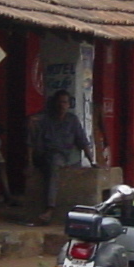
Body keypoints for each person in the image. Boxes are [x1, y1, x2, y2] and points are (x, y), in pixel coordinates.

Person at [29, 89, 94, 223]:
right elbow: (30, 142)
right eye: (59, 102)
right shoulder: (45, 119)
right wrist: (29, 163)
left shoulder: (72, 120)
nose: (61, 105)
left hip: (61, 157)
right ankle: (48, 208)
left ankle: (50, 209)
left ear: (69, 104)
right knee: (50, 163)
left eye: (64, 102)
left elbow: (82, 141)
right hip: (43, 155)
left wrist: (92, 161)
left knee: (54, 164)